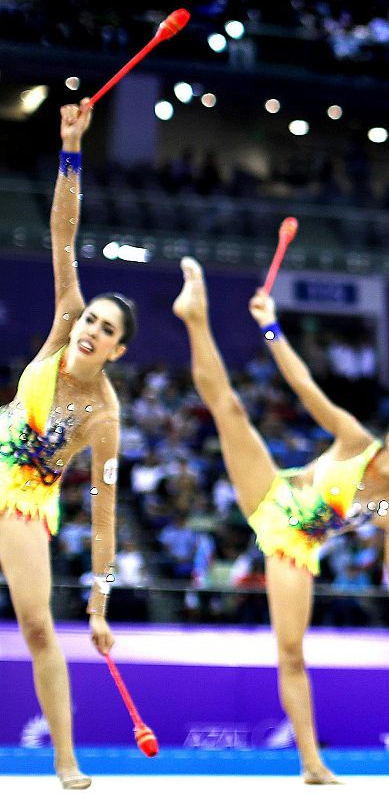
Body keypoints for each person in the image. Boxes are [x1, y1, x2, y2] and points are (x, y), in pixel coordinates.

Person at [170, 258, 389, 783]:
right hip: (272, 493)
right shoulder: (353, 438)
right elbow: (302, 385)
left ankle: (311, 763)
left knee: (292, 653)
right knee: (229, 408)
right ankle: (195, 315)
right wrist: (269, 323)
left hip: (296, 545)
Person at [0, 101, 126, 790]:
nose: (91, 328)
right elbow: (63, 232)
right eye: (92, 318)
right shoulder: (61, 327)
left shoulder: (105, 417)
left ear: (117, 348)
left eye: (105, 328)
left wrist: (101, 603)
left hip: (26, 502)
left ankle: (65, 758)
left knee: (40, 629)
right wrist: (71, 151)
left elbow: (104, 519)